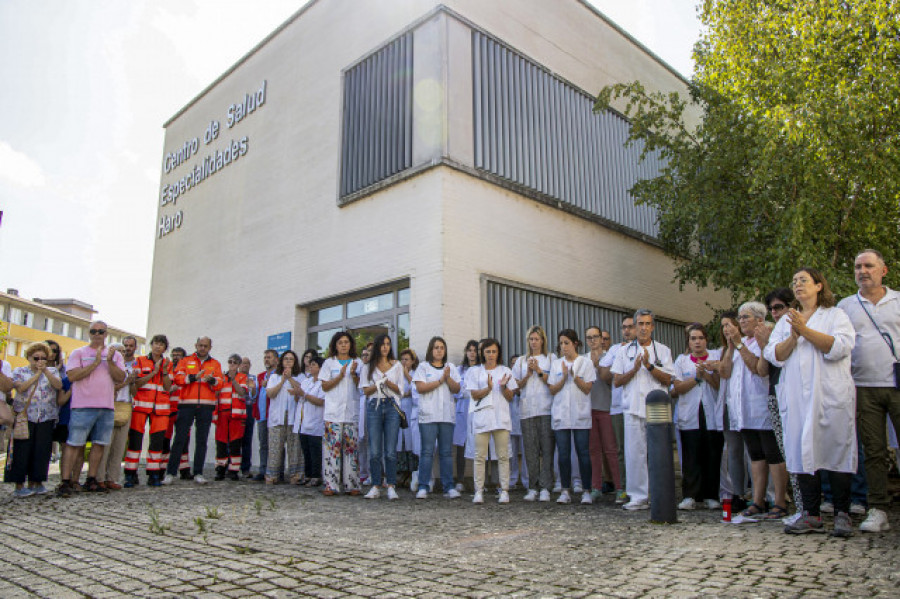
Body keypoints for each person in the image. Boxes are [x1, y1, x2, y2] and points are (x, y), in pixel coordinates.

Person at [764, 267, 857, 536]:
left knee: (836, 449)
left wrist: (804, 330)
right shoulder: (786, 321)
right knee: (801, 450)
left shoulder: (835, 315)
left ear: (818, 285)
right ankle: (811, 514)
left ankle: (842, 512)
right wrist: (793, 335)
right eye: (794, 281)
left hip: (829, 395)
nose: (798, 285)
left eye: (803, 280)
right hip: (796, 397)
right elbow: (774, 354)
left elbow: (840, 346)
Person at [837, 249, 899, 533]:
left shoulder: (898, 301)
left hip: (896, 384)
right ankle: (878, 508)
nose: (863, 271)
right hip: (862, 387)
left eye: (869, 266)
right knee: (873, 451)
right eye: (858, 266)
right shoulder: (846, 306)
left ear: (883, 270)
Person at [721, 302, 789, 520]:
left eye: (745, 317)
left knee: (773, 454)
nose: (741, 322)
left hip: (763, 405)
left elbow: (759, 369)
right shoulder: (742, 342)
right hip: (745, 409)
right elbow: (726, 371)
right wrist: (733, 346)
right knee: (756, 455)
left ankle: (779, 500)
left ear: (760, 320)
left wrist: (740, 345)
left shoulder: (765, 338)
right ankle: (757, 500)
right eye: (739, 318)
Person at [612, 309, 675, 511]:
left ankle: (659, 494)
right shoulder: (624, 351)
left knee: (658, 453)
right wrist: (634, 368)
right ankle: (638, 496)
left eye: (648, 324)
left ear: (653, 327)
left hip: (657, 411)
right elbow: (617, 381)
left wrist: (648, 365)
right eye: (640, 324)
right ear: (635, 326)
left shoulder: (663, 351)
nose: (644, 328)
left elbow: (668, 379)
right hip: (632, 408)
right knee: (634, 454)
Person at [59, 321, 127, 496]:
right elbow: (73, 375)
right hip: (83, 405)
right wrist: (95, 363)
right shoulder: (79, 352)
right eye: (93, 331)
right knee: (74, 443)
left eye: (101, 331)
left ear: (106, 334)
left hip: (106, 406)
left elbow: (120, 378)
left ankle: (92, 479)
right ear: (89, 333)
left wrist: (109, 361)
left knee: (99, 444)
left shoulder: (115, 355)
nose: (97, 334)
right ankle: (66, 481)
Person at [755, 288, 806, 519]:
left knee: (802, 449)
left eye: (779, 307)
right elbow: (763, 369)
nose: (775, 313)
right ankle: (796, 502)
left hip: (799, 393)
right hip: (776, 394)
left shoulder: (797, 327)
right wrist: (765, 345)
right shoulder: (771, 334)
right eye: (772, 309)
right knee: (787, 450)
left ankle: (807, 503)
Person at [671, 324, 723, 510]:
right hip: (689, 413)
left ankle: (711, 495)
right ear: (689, 342)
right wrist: (697, 378)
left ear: (706, 340)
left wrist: (707, 376)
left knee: (712, 454)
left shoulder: (716, 358)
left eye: (700, 338)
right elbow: (676, 389)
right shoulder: (681, 361)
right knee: (690, 455)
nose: (697, 342)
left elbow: (720, 385)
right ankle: (690, 495)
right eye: (693, 338)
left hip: (711, 414)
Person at [163, 337, 222, 485]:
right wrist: (193, 377)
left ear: (210, 347)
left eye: (205, 346)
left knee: (202, 440)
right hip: (186, 404)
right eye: (200, 345)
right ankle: (170, 473)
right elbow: (178, 378)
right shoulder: (186, 360)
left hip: (206, 406)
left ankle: (198, 473)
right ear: (196, 345)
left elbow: (220, 383)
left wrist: (212, 380)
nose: (202, 348)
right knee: (179, 439)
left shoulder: (215, 363)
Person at [466, 338, 518, 504]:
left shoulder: (506, 371)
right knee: (479, 456)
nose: (491, 355)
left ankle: (504, 490)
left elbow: (510, 397)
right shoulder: (474, 371)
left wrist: (503, 387)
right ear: (483, 353)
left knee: (503, 456)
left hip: (501, 419)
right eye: (487, 351)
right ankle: (479, 491)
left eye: (494, 351)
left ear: (498, 353)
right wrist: (488, 388)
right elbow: (473, 394)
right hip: (482, 418)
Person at [7, 343, 62, 497]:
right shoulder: (19, 371)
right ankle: (19, 485)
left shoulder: (51, 371)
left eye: (43, 358)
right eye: (36, 358)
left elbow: (58, 385)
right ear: (29, 357)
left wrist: (45, 371)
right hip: (26, 417)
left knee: (42, 451)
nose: (39, 360)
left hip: (46, 416)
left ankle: (36, 482)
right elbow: (21, 388)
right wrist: (37, 375)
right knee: (22, 450)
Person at [548, 329, 596, 504]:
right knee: (563, 454)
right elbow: (552, 389)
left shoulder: (586, 363)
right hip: (561, 415)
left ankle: (586, 490)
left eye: (566, 343)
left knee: (583, 453)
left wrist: (575, 377)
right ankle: (565, 490)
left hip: (580, 415)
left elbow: (587, 388)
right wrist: (563, 378)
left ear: (575, 343)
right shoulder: (556, 364)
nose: (563, 347)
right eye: (561, 343)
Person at [414, 336, 463, 499]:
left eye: (442, 347)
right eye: (436, 347)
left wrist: (447, 377)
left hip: (446, 416)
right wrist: (441, 379)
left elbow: (457, 389)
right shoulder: (423, 367)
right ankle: (423, 485)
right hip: (428, 416)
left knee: (446, 452)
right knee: (427, 452)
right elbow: (421, 388)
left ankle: (448, 486)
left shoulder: (451, 367)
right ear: (430, 350)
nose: (439, 350)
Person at [512, 326, 556, 502]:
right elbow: (516, 387)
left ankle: (546, 486)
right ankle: (532, 486)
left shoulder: (551, 358)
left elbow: (553, 382)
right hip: (527, 410)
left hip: (546, 409)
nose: (534, 342)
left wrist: (538, 371)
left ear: (543, 340)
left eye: (537, 339)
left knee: (546, 449)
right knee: (530, 450)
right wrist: (527, 374)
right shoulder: (521, 361)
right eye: (531, 339)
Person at [123, 335, 173, 488]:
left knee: (157, 444)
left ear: (165, 348)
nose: (158, 347)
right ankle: (130, 475)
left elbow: (168, 387)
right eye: (156, 344)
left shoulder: (168, 364)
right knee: (135, 442)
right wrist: (153, 372)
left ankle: (154, 475)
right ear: (151, 345)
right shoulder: (140, 361)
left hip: (161, 408)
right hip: (141, 407)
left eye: (161, 344)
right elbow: (136, 383)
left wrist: (163, 372)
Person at [360, 335, 405, 500]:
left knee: (391, 450)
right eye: (383, 344)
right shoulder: (368, 367)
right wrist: (377, 384)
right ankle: (375, 485)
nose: (385, 347)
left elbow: (400, 389)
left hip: (392, 405)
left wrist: (387, 382)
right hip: (374, 405)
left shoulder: (397, 365)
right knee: (374, 449)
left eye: (388, 344)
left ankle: (391, 485)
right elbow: (365, 390)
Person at [319, 332, 362, 495]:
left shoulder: (357, 363)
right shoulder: (329, 363)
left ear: (351, 344)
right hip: (333, 413)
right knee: (332, 450)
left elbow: (361, 386)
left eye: (346, 342)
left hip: (351, 412)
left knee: (351, 449)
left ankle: (352, 484)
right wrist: (340, 376)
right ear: (335, 345)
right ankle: (331, 484)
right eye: (340, 342)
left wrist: (352, 374)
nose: (344, 345)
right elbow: (325, 386)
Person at [599, 316, 636, 504]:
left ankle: (642, 488)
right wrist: (618, 363)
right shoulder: (615, 349)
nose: (627, 330)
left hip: (638, 405)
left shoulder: (646, 348)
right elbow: (605, 375)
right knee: (620, 450)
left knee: (639, 449)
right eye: (624, 327)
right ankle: (623, 488)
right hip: (618, 407)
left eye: (631, 327)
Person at [585, 326, 620, 500]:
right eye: (589, 337)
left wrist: (598, 365)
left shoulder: (610, 357)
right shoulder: (583, 359)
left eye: (595, 337)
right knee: (594, 450)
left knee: (611, 450)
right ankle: (596, 486)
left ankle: (619, 486)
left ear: (602, 339)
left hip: (607, 407)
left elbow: (610, 380)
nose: (592, 340)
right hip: (589, 409)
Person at [265, 350, 303, 485]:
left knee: (294, 448)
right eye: (285, 359)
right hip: (277, 417)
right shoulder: (274, 376)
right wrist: (282, 380)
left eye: (291, 359)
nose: (288, 361)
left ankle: (295, 474)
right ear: (281, 361)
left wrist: (290, 378)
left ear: (295, 362)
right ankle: (272, 475)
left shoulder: (300, 376)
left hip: (293, 417)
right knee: (275, 447)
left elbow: (301, 392)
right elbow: (270, 394)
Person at [215, 354, 249, 481]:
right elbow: (216, 392)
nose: (232, 364)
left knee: (235, 443)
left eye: (235, 362)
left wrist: (233, 380)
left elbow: (242, 393)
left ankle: (234, 470)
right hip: (222, 414)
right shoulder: (222, 378)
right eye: (230, 362)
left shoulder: (243, 377)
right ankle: (220, 469)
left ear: (239, 365)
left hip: (237, 415)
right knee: (221, 443)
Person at [295, 356, 325, 487]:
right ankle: (307, 475)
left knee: (315, 451)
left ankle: (316, 475)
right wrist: (297, 394)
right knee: (305, 450)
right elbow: (299, 398)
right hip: (303, 420)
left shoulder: (323, 383)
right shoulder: (306, 381)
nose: (311, 367)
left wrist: (305, 395)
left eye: (314, 364)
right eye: (310, 365)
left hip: (316, 421)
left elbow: (320, 401)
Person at [453, 340, 479, 492]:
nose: (472, 353)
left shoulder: (482, 369)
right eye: (469, 350)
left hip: (476, 408)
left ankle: (479, 481)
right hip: (462, 410)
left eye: (475, 350)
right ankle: (460, 480)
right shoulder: (459, 370)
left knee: (479, 445)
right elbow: (457, 391)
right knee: (460, 447)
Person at [161, 346, 190, 479]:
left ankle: (184, 469)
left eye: (179, 355)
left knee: (183, 440)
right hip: (169, 409)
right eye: (174, 355)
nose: (176, 357)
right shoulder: (168, 369)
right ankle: (162, 468)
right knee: (165, 439)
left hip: (183, 408)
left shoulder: (186, 370)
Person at [397, 348, 421, 491]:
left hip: (411, 410)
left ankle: (412, 474)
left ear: (412, 361)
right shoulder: (397, 374)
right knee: (401, 443)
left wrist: (407, 375)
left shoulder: (415, 373)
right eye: (403, 359)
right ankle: (402, 473)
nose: (404, 362)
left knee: (411, 442)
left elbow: (416, 388)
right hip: (400, 410)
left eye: (407, 359)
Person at [252, 349, 278, 481]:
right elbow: (254, 395)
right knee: (263, 444)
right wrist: (252, 389)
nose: (266, 360)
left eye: (269, 357)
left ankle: (275, 471)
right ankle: (262, 470)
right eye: (265, 358)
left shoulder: (278, 375)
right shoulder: (260, 376)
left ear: (276, 360)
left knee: (275, 445)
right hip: (261, 415)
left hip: (273, 415)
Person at [238, 356, 258, 478]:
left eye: (247, 363)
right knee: (234, 439)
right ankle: (231, 466)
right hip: (236, 408)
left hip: (249, 409)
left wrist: (253, 388)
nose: (245, 365)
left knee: (247, 439)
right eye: (243, 363)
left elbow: (254, 396)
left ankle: (245, 468)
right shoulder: (234, 377)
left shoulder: (253, 378)